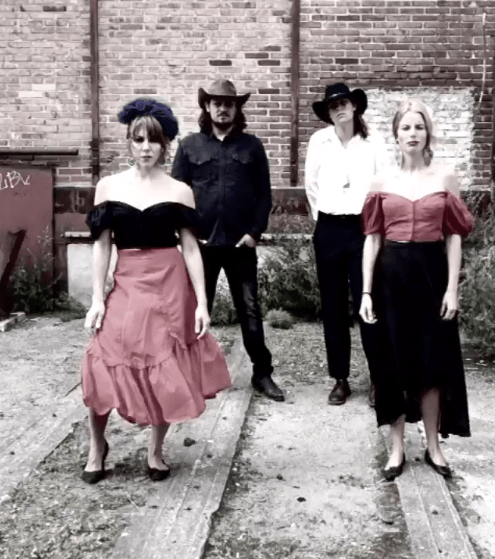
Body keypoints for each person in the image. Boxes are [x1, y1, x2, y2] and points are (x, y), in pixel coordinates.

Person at [81, 98, 231, 484]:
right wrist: (97, 298)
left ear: (165, 145)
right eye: (138, 139)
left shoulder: (180, 191)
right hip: (128, 282)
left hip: (170, 285)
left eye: (153, 140)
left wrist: (202, 303)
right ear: (129, 143)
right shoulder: (108, 187)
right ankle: (97, 446)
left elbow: (191, 249)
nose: (146, 147)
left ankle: (155, 450)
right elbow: (102, 246)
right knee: (105, 359)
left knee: (166, 364)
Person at [359, 98, 473, 481]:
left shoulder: (445, 178)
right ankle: (396, 449)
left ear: (428, 134)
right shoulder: (381, 182)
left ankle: (433, 446)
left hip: (431, 276)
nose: (412, 134)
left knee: (432, 361)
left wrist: (452, 289)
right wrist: (366, 292)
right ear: (395, 135)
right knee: (391, 361)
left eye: (419, 127)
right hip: (390, 279)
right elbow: (372, 239)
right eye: (405, 127)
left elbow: (454, 237)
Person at [171, 79, 284, 402]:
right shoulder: (189, 146)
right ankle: (192, 375)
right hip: (201, 246)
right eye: (217, 103)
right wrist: (185, 235)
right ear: (207, 107)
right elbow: (177, 194)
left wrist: (254, 233)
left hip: (239, 245)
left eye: (229, 103)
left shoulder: (251, 147)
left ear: (237, 109)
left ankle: (262, 374)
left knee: (249, 309)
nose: (223, 108)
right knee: (195, 309)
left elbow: (264, 195)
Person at [305, 83, 388, 406]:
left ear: (354, 106)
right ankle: (340, 378)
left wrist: (373, 226)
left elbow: (383, 185)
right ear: (328, 113)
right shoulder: (319, 141)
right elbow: (311, 185)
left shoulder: (373, 142)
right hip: (329, 228)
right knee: (333, 305)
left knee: (370, 301)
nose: (338, 109)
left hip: (363, 228)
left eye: (343, 103)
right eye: (332, 106)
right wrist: (325, 219)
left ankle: (378, 378)